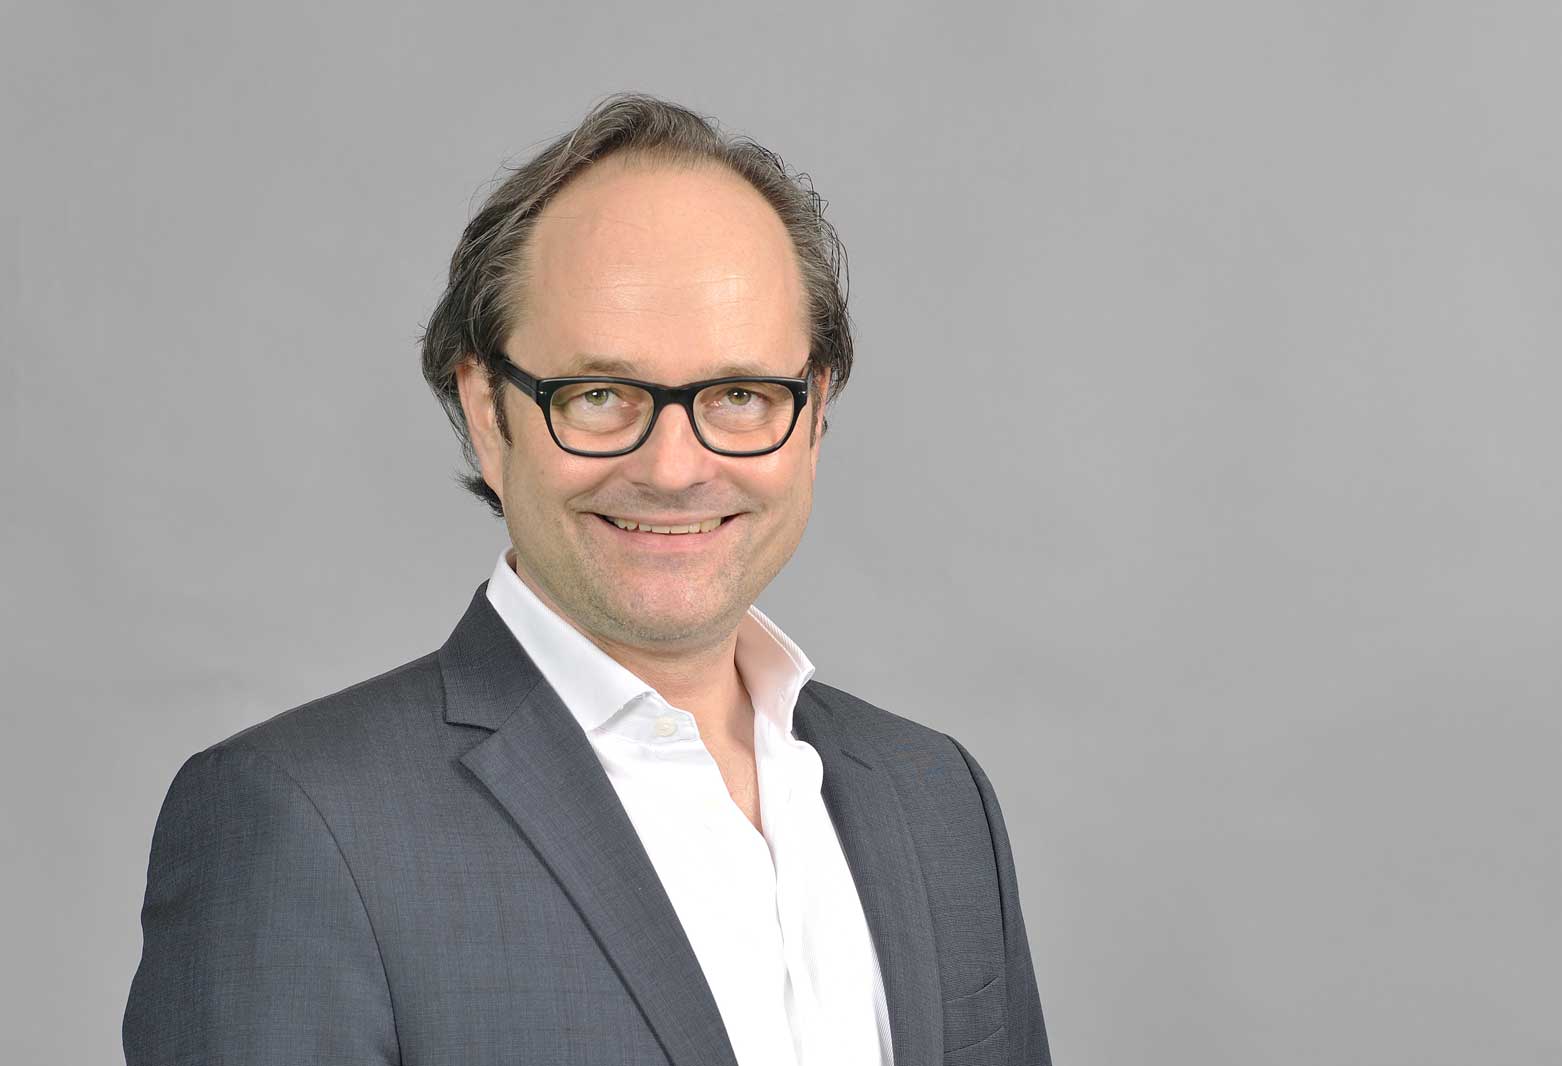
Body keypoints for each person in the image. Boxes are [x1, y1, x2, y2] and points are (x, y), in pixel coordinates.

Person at [123, 91, 1051, 1066]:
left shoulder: (935, 796)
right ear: (488, 410)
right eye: (601, 394)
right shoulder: (300, 827)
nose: (675, 465)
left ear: (815, 410)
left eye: (739, 394)